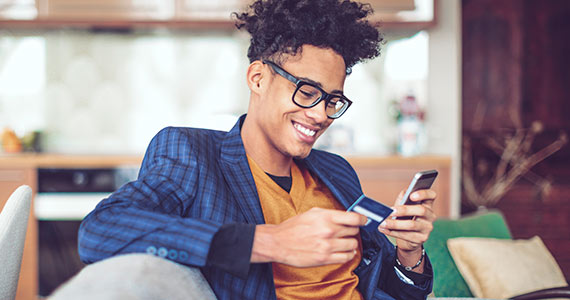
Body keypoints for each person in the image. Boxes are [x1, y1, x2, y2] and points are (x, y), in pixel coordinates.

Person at [76, 0, 436, 299]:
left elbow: (392, 289)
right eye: (307, 92)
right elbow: (103, 229)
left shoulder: (336, 171)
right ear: (258, 78)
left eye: (332, 100)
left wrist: (409, 253)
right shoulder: (193, 153)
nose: (320, 115)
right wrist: (270, 242)